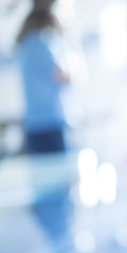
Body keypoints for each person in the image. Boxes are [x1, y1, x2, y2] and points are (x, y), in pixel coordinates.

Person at [17, 0, 70, 154]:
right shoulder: (46, 45)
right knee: (58, 175)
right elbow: (63, 77)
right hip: (50, 125)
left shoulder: (25, 45)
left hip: (33, 125)